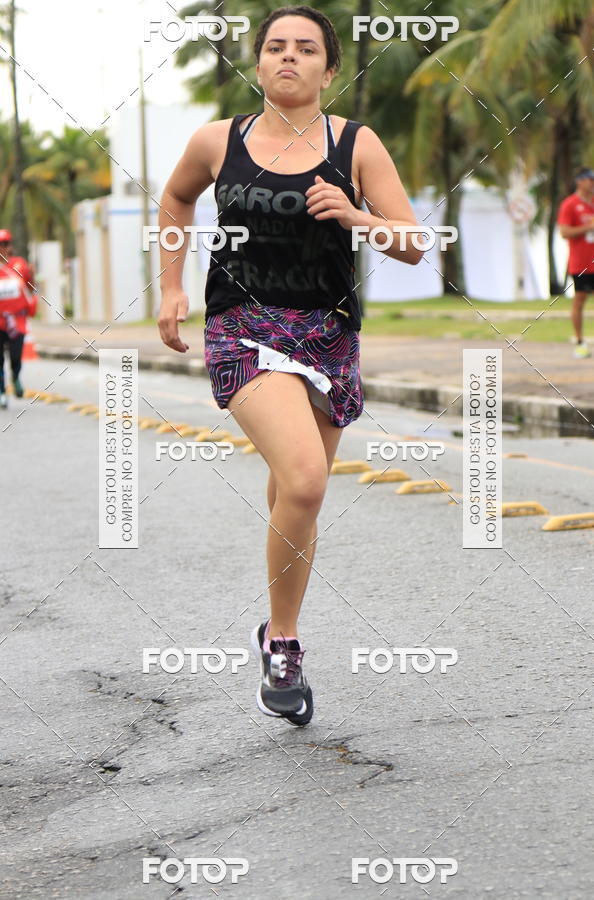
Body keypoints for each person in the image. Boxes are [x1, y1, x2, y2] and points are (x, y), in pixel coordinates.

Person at [157, 5, 424, 725]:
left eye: (306, 49)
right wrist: (173, 285)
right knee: (306, 479)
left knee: (292, 496)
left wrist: (356, 214)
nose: (288, 58)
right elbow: (177, 199)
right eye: (275, 46)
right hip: (243, 327)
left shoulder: (356, 145)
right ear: (259, 62)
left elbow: (414, 242)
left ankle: (273, 628)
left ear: (329, 71)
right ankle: (286, 644)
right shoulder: (219, 141)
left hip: (329, 336)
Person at [557, 167, 594, 358]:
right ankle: (580, 342)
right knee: (580, 301)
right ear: (580, 181)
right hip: (581, 263)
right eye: (590, 180)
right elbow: (565, 232)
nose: (593, 183)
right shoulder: (570, 204)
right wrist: (588, 227)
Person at [0, 229, 37, 409]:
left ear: (10, 246)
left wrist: (32, 276)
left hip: (17, 322)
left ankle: (15, 376)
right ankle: (1, 392)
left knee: (15, 356)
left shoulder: (20, 265)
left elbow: (30, 287)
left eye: (5, 244)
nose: (2, 248)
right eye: (0, 245)